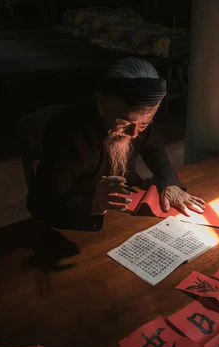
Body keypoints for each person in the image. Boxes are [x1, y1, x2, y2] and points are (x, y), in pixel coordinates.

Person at [26, 57, 205, 231]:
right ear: (101, 102)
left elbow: (154, 150)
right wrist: (94, 203)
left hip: (125, 200)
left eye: (144, 124)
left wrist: (169, 182)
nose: (134, 133)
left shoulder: (138, 120)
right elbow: (40, 205)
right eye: (123, 123)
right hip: (78, 215)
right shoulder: (70, 132)